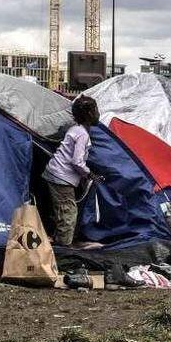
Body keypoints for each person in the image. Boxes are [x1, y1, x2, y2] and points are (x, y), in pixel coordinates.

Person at [43, 95, 102, 247]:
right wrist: (89, 174)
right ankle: (64, 248)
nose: (98, 114)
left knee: (62, 210)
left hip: (55, 173)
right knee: (68, 211)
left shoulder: (75, 129)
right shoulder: (82, 134)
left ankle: (59, 240)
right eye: (96, 110)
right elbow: (77, 161)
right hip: (61, 176)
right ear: (89, 114)